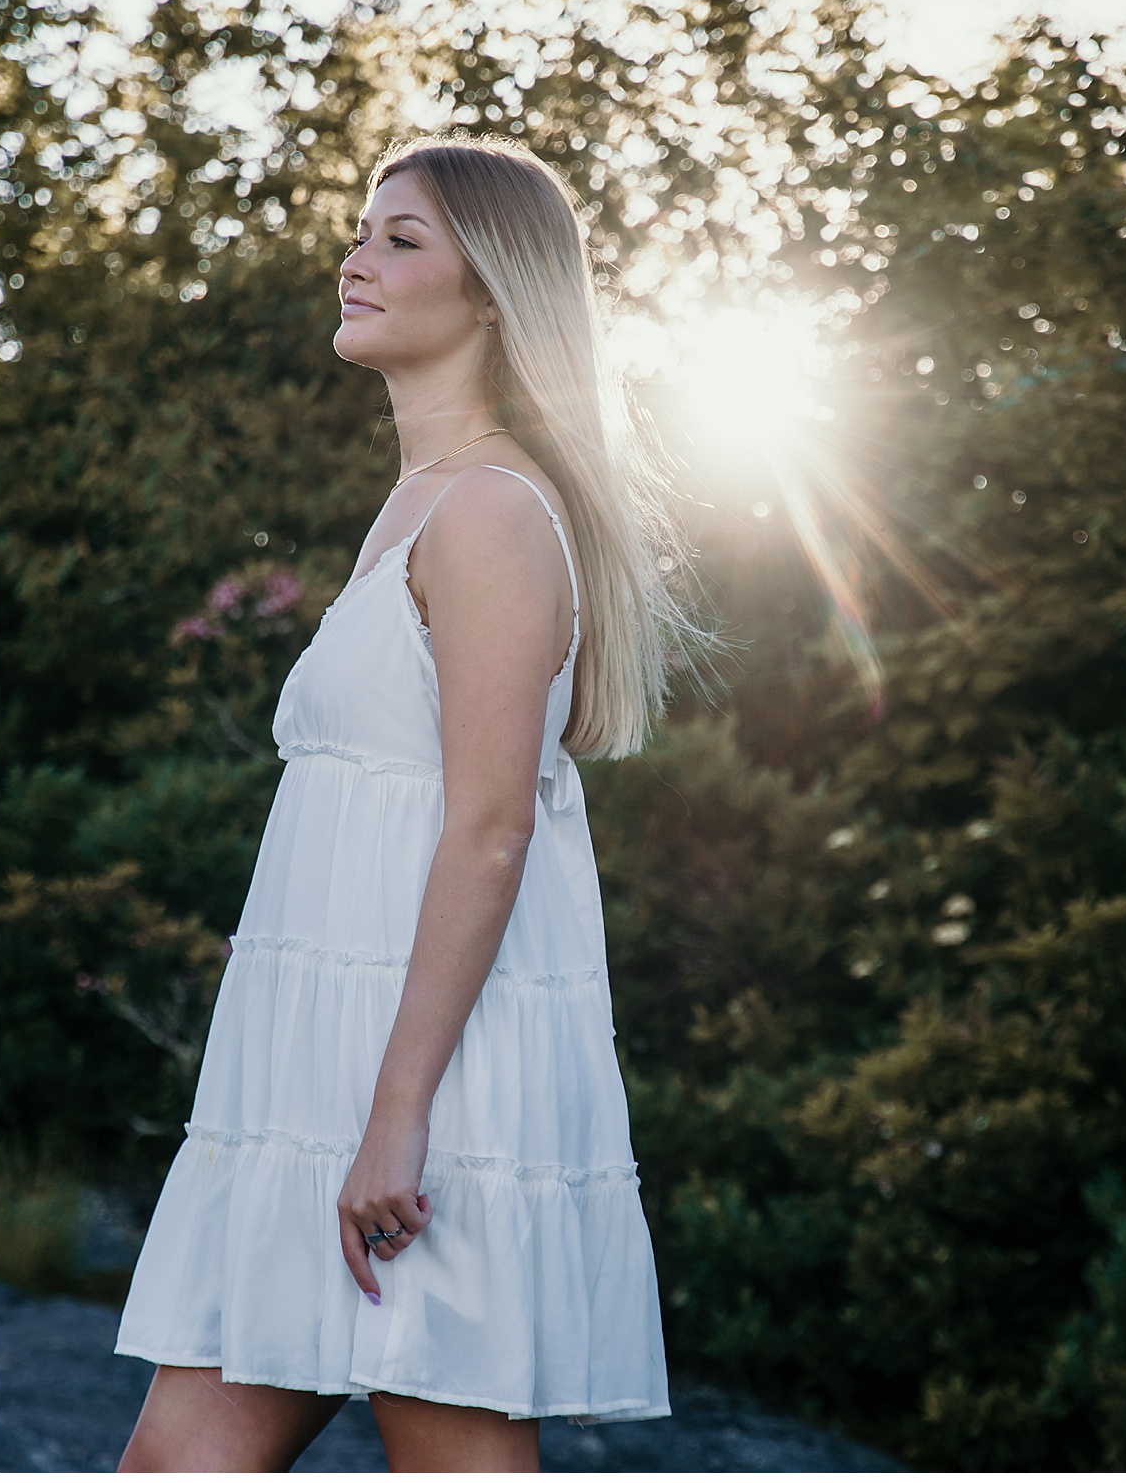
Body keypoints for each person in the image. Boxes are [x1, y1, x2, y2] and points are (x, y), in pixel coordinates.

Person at [115, 134, 704, 1472]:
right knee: (175, 1460)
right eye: (361, 229)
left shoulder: (492, 510)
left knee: (455, 1452)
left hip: (429, 1079)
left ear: (492, 293)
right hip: (318, 1068)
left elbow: (492, 826)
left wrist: (397, 1111)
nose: (356, 256)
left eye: (401, 238)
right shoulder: (421, 501)